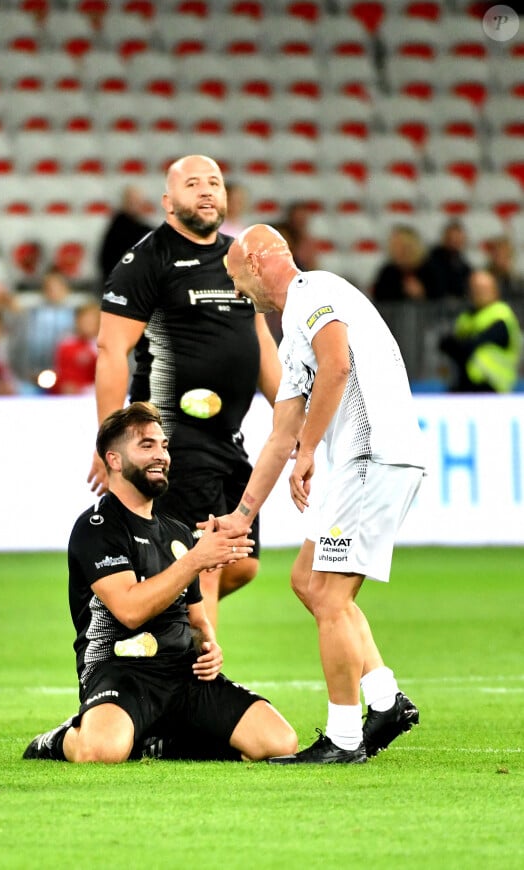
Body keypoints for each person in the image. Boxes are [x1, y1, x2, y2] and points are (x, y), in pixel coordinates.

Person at [212, 224, 425, 765]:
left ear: (258, 263)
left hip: (371, 456)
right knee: (307, 581)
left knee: (330, 597)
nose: (239, 293)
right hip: (366, 460)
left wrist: (309, 453)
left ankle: (344, 738)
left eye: (237, 279)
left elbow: (337, 364)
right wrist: (241, 516)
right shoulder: (292, 329)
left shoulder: (315, 293)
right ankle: (385, 699)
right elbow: (281, 434)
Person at [23, 402, 297, 764]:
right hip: (121, 672)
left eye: (164, 446)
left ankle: (159, 742)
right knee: (101, 752)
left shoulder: (178, 532)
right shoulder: (97, 528)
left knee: (279, 741)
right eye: (147, 446)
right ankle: (60, 739)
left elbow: (197, 621)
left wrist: (209, 647)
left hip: (183, 677)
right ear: (115, 460)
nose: (162, 455)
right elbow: (130, 610)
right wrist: (197, 559)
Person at [87, 154, 281, 627]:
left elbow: (262, 344)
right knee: (208, 562)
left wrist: (292, 418)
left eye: (214, 181)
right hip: (174, 437)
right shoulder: (148, 261)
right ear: (168, 201)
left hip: (229, 440)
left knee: (242, 564)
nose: (207, 190)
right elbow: (112, 352)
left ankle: (163, 623)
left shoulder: (240, 259)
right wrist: (108, 442)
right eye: (193, 183)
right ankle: (202, 685)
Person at [438, 269, 522, 393]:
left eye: (484, 288)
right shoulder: (466, 317)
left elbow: (470, 345)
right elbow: (446, 344)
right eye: (475, 288)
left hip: (493, 388)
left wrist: (458, 345)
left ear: (495, 290)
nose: (479, 292)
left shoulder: (501, 315)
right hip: (464, 385)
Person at [98, 184, 154, 285]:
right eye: (132, 201)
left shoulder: (141, 227)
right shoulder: (119, 227)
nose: (136, 204)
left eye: (138, 201)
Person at [372, 225, 438, 303]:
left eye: (401, 246)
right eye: (394, 245)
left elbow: (441, 297)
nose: (396, 250)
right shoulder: (388, 271)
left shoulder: (430, 269)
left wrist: (422, 294)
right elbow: (380, 299)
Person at [51, 302, 100, 395]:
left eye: (90, 321)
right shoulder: (66, 343)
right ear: (77, 321)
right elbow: (59, 371)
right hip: (66, 394)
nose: (86, 325)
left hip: (92, 394)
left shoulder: (101, 346)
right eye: (84, 320)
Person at [425, 219, 472, 300]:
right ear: (444, 238)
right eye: (451, 237)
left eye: (458, 237)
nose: (454, 241)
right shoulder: (430, 261)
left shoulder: (463, 265)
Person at [484, 235, 524, 301]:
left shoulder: (518, 281)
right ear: (491, 256)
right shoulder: (482, 281)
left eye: (506, 255)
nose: (503, 260)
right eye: (498, 255)